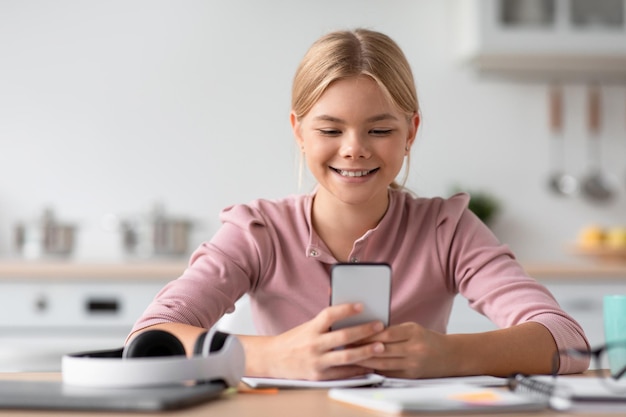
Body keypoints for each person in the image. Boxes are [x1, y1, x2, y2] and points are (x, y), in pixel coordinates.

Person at [128, 28, 589, 380]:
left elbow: (569, 341)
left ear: (410, 132)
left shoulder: (447, 228)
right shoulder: (258, 230)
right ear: (298, 131)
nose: (354, 149)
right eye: (330, 130)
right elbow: (150, 338)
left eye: (381, 130)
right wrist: (272, 356)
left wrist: (449, 354)